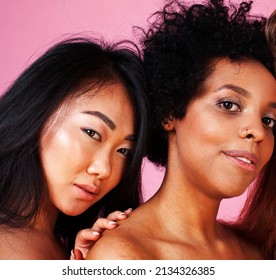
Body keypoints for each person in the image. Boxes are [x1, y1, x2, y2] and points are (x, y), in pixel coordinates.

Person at [85, 0, 276, 259]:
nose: (258, 131)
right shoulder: (125, 256)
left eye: (269, 120)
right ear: (170, 112)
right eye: (229, 104)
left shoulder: (256, 255)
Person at [0, 37, 148, 259]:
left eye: (124, 151)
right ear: (39, 112)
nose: (105, 169)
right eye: (92, 133)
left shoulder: (71, 250)